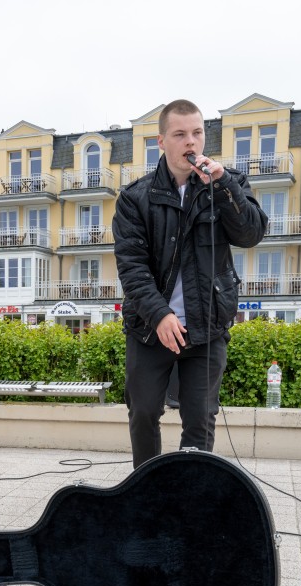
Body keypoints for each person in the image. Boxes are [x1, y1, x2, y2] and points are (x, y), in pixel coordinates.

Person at [113, 99, 268, 467]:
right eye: (180, 134)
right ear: (161, 141)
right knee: (144, 412)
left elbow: (251, 233)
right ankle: (147, 494)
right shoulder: (135, 198)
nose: (191, 142)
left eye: (197, 133)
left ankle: (189, 496)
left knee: (200, 419)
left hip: (207, 325)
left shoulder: (227, 185)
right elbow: (132, 268)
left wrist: (224, 183)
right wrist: (160, 315)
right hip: (150, 328)